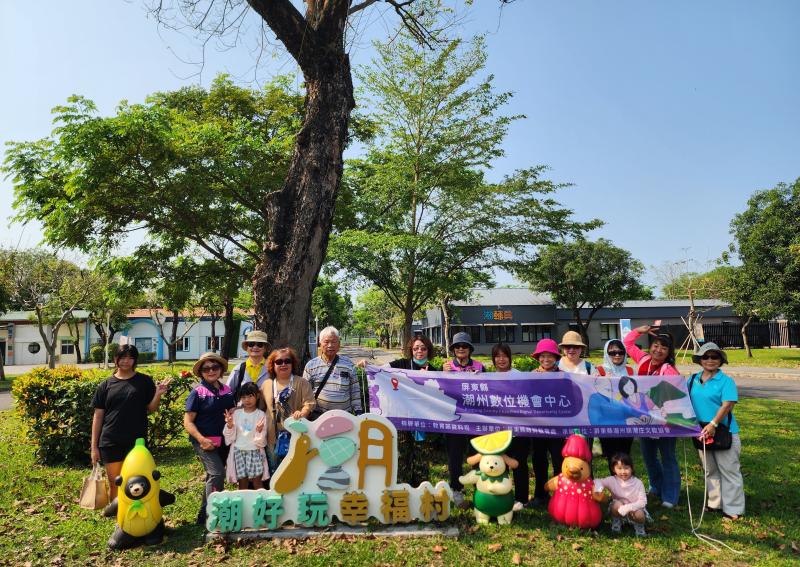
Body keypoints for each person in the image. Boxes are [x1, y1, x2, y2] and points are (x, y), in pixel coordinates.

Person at [91, 344, 170, 513]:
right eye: (122, 357)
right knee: (115, 481)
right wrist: (94, 447)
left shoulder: (144, 381)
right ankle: (119, 515)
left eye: (130, 357)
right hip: (110, 440)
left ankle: (137, 513)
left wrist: (157, 394)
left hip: (137, 441)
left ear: (135, 360)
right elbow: (98, 416)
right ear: (115, 359)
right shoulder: (105, 385)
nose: (126, 361)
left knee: (137, 479)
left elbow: (151, 409)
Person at [624, 323, 682, 508]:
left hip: (664, 421)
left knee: (667, 457)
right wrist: (639, 331)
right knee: (649, 456)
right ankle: (656, 486)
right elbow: (628, 344)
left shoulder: (669, 370)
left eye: (663, 347)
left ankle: (670, 495)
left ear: (668, 352)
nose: (658, 350)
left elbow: (675, 393)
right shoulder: (643, 360)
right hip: (643, 419)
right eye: (656, 345)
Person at [688, 343, 744, 520]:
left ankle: (733, 509)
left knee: (729, 470)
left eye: (714, 357)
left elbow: (728, 404)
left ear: (720, 360)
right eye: (706, 357)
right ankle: (715, 503)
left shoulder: (726, 381)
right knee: (709, 470)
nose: (710, 360)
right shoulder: (691, 380)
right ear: (700, 360)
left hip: (723, 431)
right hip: (700, 431)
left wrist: (713, 424)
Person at [184, 352, 236, 524]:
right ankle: (213, 515)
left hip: (223, 441)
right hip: (204, 441)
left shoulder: (227, 390)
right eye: (206, 369)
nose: (211, 371)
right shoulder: (197, 393)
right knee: (217, 473)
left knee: (212, 476)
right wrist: (201, 440)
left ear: (221, 370)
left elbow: (231, 411)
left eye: (215, 367)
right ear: (201, 372)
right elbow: (188, 422)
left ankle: (203, 513)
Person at [387, 335, 440, 487]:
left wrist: (428, 380)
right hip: (402, 420)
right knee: (402, 456)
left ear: (428, 350)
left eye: (423, 348)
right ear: (411, 350)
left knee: (422, 457)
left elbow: (438, 397)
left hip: (423, 422)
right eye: (416, 348)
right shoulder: (402, 364)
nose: (419, 351)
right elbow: (381, 370)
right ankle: (402, 490)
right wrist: (367, 364)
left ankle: (421, 491)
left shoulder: (434, 371)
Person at [442, 331, 484, 507]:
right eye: (457, 346)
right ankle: (456, 489)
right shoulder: (446, 367)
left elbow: (489, 390)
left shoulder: (480, 367)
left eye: (464, 346)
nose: (461, 349)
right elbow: (438, 390)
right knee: (454, 456)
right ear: (453, 349)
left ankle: (479, 489)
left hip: (475, 420)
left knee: (477, 455)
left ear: (470, 349)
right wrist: (442, 374)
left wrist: (479, 378)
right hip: (454, 420)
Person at [262, 346, 315, 472]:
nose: (283, 364)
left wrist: (302, 413)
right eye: (279, 362)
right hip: (272, 437)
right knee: (274, 471)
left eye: (287, 361)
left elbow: (310, 403)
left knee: (294, 472)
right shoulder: (266, 385)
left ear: (293, 363)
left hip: (295, 436)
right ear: (272, 365)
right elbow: (257, 407)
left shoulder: (301, 383)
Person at [491, 343, 529, 511]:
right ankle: (502, 497)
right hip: (499, 431)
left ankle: (522, 498)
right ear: (493, 360)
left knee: (519, 463)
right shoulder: (488, 379)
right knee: (500, 464)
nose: (501, 359)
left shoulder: (520, 376)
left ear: (510, 358)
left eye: (504, 356)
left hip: (520, 429)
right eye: (497, 356)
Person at [529, 338, 566, 507]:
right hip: (538, 426)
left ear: (555, 357)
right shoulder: (531, 376)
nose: (545, 359)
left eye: (549, 356)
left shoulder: (563, 376)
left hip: (557, 427)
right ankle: (540, 495)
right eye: (542, 356)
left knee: (559, 461)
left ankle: (561, 494)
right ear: (538, 358)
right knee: (539, 460)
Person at [303, 326, 362, 418]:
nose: (330, 345)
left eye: (334, 342)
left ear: (339, 344)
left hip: (344, 418)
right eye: (326, 342)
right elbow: (305, 393)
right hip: (318, 418)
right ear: (320, 343)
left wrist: (359, 412)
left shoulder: (348, 364)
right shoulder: (311, 365)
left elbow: (355, 391)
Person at [223, 382, 269, 489]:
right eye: (243, 397)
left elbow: (262, 442)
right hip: (238, 451)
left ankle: (262, 504)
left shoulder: (261, 415)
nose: (247, 400)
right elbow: (229, 437)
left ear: (257, 396)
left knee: (257, 482)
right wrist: (229, 425)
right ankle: (243, 504)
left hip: (255, 452)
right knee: (242, 483)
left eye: (250, 396)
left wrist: (259, 431)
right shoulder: (237, 414)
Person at [596, 340, 635, 465]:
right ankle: (614, 482)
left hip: (627, 420)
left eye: (620, 352)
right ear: (607, 354)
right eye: (612, 352)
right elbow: (593, 392)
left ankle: (624, 482)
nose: (617, 355)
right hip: (606, 421)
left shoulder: (630, 370)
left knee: (625, 453)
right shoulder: (599, 370)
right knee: (611, 455)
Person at [593, 452, 648, 536]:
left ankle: (639, 528)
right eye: (619, 468)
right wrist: (599, 489)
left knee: (639, 514)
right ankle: (616, 524)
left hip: (634, 510)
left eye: (626, 468)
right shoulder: (612, 480)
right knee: (616, 503)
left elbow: (642, 502)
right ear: (613, 469)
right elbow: (597, 481)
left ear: (632, 468)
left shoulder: (638, 483)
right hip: (618, 510)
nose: (623, 471)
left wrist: (628, 507)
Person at [227, 330, 270, 407]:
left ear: (265, 348)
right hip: (243, 414)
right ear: (247, 347)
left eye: (260, 344)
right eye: (251, 344)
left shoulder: (271, 368)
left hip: (266, 414)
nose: (255, 347)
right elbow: (228, 392)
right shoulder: (239, 369)